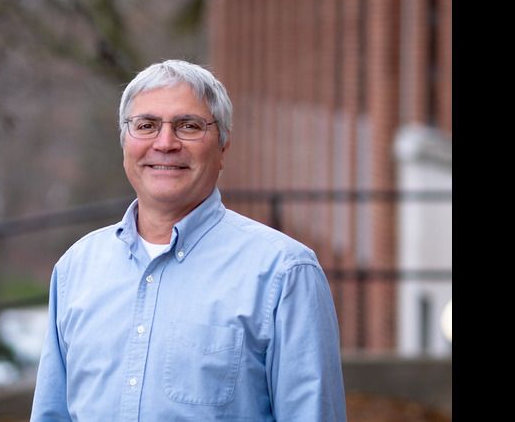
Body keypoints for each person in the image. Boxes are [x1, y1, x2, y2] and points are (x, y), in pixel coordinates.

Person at [30, 59, 347, 421]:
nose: (165, 143)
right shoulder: (77, 268)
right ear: (124, 142)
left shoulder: (284, 274)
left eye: (188, 126)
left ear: (223, 146)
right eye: (146, 125)